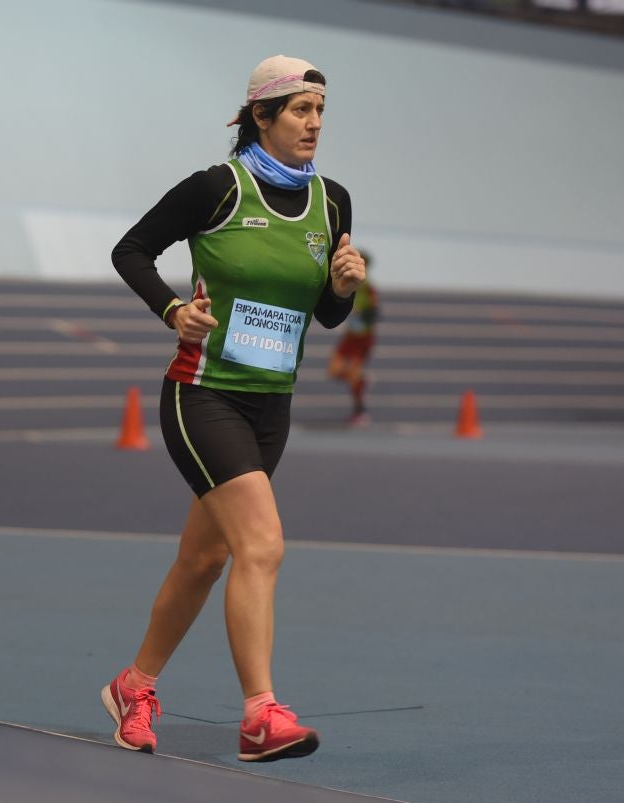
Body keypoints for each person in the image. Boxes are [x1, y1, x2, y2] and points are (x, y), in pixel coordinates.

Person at [105, 55, 366, 762]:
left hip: (268, 407)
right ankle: (260, 716)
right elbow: (129, 250)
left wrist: (344, 286)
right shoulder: (216, 189)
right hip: (202, 393)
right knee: (262, 544)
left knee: (203, 559)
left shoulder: (333, 201)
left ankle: (134, 685)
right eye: (300, 110)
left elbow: (328, 316)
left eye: (320, 112)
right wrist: (171, 311)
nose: (314, 124)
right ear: (262, 116)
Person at [326, 250, 380, 425]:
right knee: (334, 370)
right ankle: (361, 380)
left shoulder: (368, 288)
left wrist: (358, 317)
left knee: (353, 374)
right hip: (349, 337)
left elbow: (373, 314)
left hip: (362, 338)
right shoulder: (345, 282)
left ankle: (360, 411)